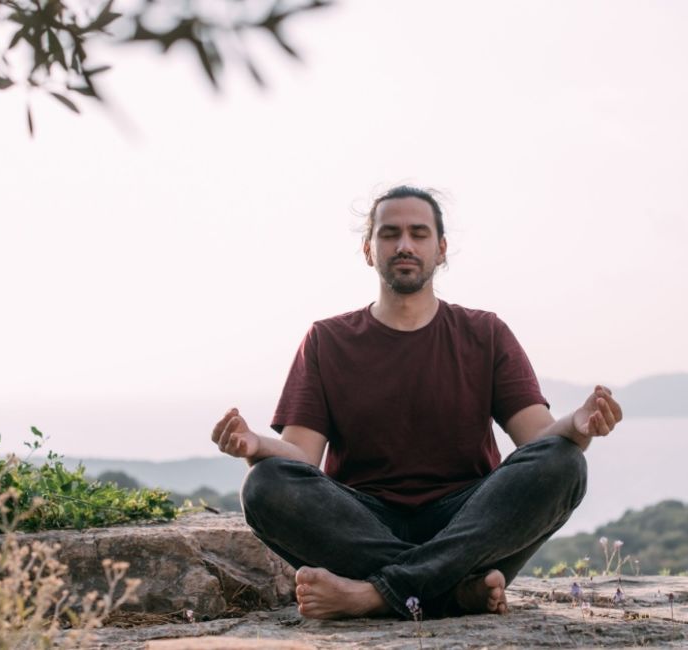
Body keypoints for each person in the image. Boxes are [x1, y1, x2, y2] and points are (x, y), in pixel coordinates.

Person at [210, 185, 623, 620]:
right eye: (390, 234)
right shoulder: (327, 340)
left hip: (466, 523)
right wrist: (255, 446)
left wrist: (577, 426)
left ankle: (373, 595)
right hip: (363, 524)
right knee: (263, 484)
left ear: (441, 249)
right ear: (369, 250)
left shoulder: (485, 333)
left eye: (418, 233)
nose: (404, 245)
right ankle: (452, 593)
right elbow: (300, 458)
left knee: (565, 462)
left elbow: (538, 439)